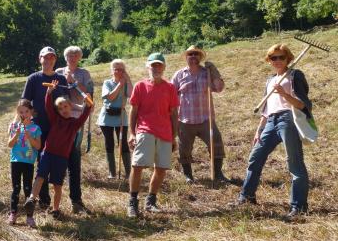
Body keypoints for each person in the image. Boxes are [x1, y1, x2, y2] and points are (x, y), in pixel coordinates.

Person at [235, 44, 311, 219]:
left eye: (281, 57)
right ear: (269, 61)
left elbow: (303, 105)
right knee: (255, 157)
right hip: (270, 121)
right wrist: (258, 130)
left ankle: (298, 206)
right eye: (273, 58)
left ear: (288, 58)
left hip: (288, 120)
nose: (277, 61)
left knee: (295, 162)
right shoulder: (270, 80)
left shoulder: (294, 75)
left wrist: (284, 94)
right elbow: (267, 109)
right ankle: (247, 196)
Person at [24, 80, 92, 220]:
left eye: (65, 106)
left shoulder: (75, 124)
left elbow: (85, 114)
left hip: (61, 158)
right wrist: (49, 93)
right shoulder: (55, 119)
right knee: (40, 176)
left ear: (70, 106)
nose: (63, 110)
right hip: (47, 154)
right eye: (60, 108)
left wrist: (88, 104)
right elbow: (48, 106)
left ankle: (55, 209)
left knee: (57, 185)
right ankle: (31, 199)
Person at [127, 53, 179, 217]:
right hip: (145, 130)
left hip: (165, 133)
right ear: (147, 66)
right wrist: (132, 133)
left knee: (161, 168)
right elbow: (133, 111)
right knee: (137, 165)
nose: (156, 68)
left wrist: (174, 136)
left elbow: (173, 113)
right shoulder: (140, 86)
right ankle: (132, 202)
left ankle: (150, 201)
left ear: (164, 67)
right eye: (153, 65)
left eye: (159, 65)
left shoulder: (170, 87)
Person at [171, 45, 229, 183]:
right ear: (186, 57)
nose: (193, 57)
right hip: (185, 120)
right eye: (190, 54)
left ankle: (218, 174)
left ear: (200, 57)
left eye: (196, 54)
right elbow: (169, 95)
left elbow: (219, 88)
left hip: (205, 119)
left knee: (216, 144)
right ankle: (188, 175)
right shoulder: (179, 75)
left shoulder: (207, 73)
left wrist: (214, 71)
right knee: (184, 149)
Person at [21, 46, 68, 209]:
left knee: (51, 160)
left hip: (56, 128)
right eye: (45, 57)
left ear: (55, 60)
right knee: (38, 161)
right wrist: (27, 118)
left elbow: (65, 102)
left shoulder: (61, 79)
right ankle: (40, 197)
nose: (48, 60)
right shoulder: (33, 78)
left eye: (51, 58)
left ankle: (49, 200)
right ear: (40, 59)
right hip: (38, 127)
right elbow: (25, 102)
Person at [55, 46, 94, 214]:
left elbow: (89, 95)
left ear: (80, 58)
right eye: (70, 55)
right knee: (59, 158)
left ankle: (76, 200)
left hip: (77, 119)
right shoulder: (58, 71)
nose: (72, 57)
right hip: (60, 120)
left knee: (74, 158)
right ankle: (52, 202)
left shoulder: (84, 73)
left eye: (76, 55)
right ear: (65, 57)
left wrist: (74, 83)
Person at [7, 99, 42, 227]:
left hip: (28, 162)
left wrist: (29, 137)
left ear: (31, 112)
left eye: (26, 111)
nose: (24, 114)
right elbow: (9, 144)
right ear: (18, 112)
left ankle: (29, 216)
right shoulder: (14, 126)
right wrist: (16, 135)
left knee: (28, 188)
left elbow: (38, 146)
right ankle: (13, 213)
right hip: (15, 161)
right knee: (15, 188)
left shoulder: (35, 128)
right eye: (21, 112)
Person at [97, 59, 133, 179]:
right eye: (115, 69)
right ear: (111, 71)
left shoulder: (126, 82)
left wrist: (128, 80)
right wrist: (119, 85)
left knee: (123, 143)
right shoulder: (107, 82)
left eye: (121, 69)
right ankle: (112, 173)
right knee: (109, 143)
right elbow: (111, 97)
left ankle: (129, 173)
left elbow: (132, 96)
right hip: (106, 117)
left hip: (121, 117)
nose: (118, 71)